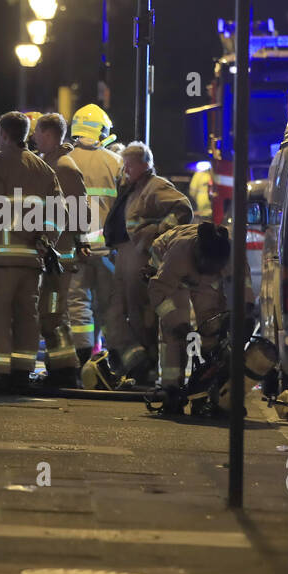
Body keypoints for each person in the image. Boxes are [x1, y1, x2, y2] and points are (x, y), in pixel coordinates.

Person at [0, 111, 63, 393]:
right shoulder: (44, 169)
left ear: (2, 134)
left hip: (0, 257)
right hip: (31, 258)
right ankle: (22, 372)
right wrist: (45, 240)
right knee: (28, 316)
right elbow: (59, 214)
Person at [102, 141, 193, 384]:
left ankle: (147, 368)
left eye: (129, 165)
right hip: (124, 257)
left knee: (141, 315)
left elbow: (183, 208)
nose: (126, 170)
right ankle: (136, 360)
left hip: (141, 258)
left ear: (144, 164)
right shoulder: (133, 189)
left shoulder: (156, 186)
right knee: (113, 312)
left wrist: (157, 231)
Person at [146, 222, 248, 410]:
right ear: (199, 255)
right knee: (175, 336)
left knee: (213, 330)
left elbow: (243, 287)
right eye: (208, 266)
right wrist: (177, 323)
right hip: (169, 275)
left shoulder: (231, 255)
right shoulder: (178, 255)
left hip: (198, 278)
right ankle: (172, 391)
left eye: (216, 267)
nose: (211, 269)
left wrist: (242, 314)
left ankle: (203, 389)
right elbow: (158, 294)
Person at [32, 113, 88, 388]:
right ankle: (61, 369)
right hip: (55, 254)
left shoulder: (64, 167)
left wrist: (70, 244)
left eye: (37, 133)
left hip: (60, 257)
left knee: (54, 314)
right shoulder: (52, 163)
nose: (33, 137)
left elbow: (79, 213)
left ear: (49, 135)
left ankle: (65, 371)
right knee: (51, 312)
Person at [65, 104, 123, 364]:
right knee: (109, 305)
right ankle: (113, 359)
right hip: (106, 249)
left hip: (73, 247)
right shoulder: (115, 162)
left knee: (77, 303)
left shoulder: (63, 161)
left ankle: (83, 356)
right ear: (102, 130)